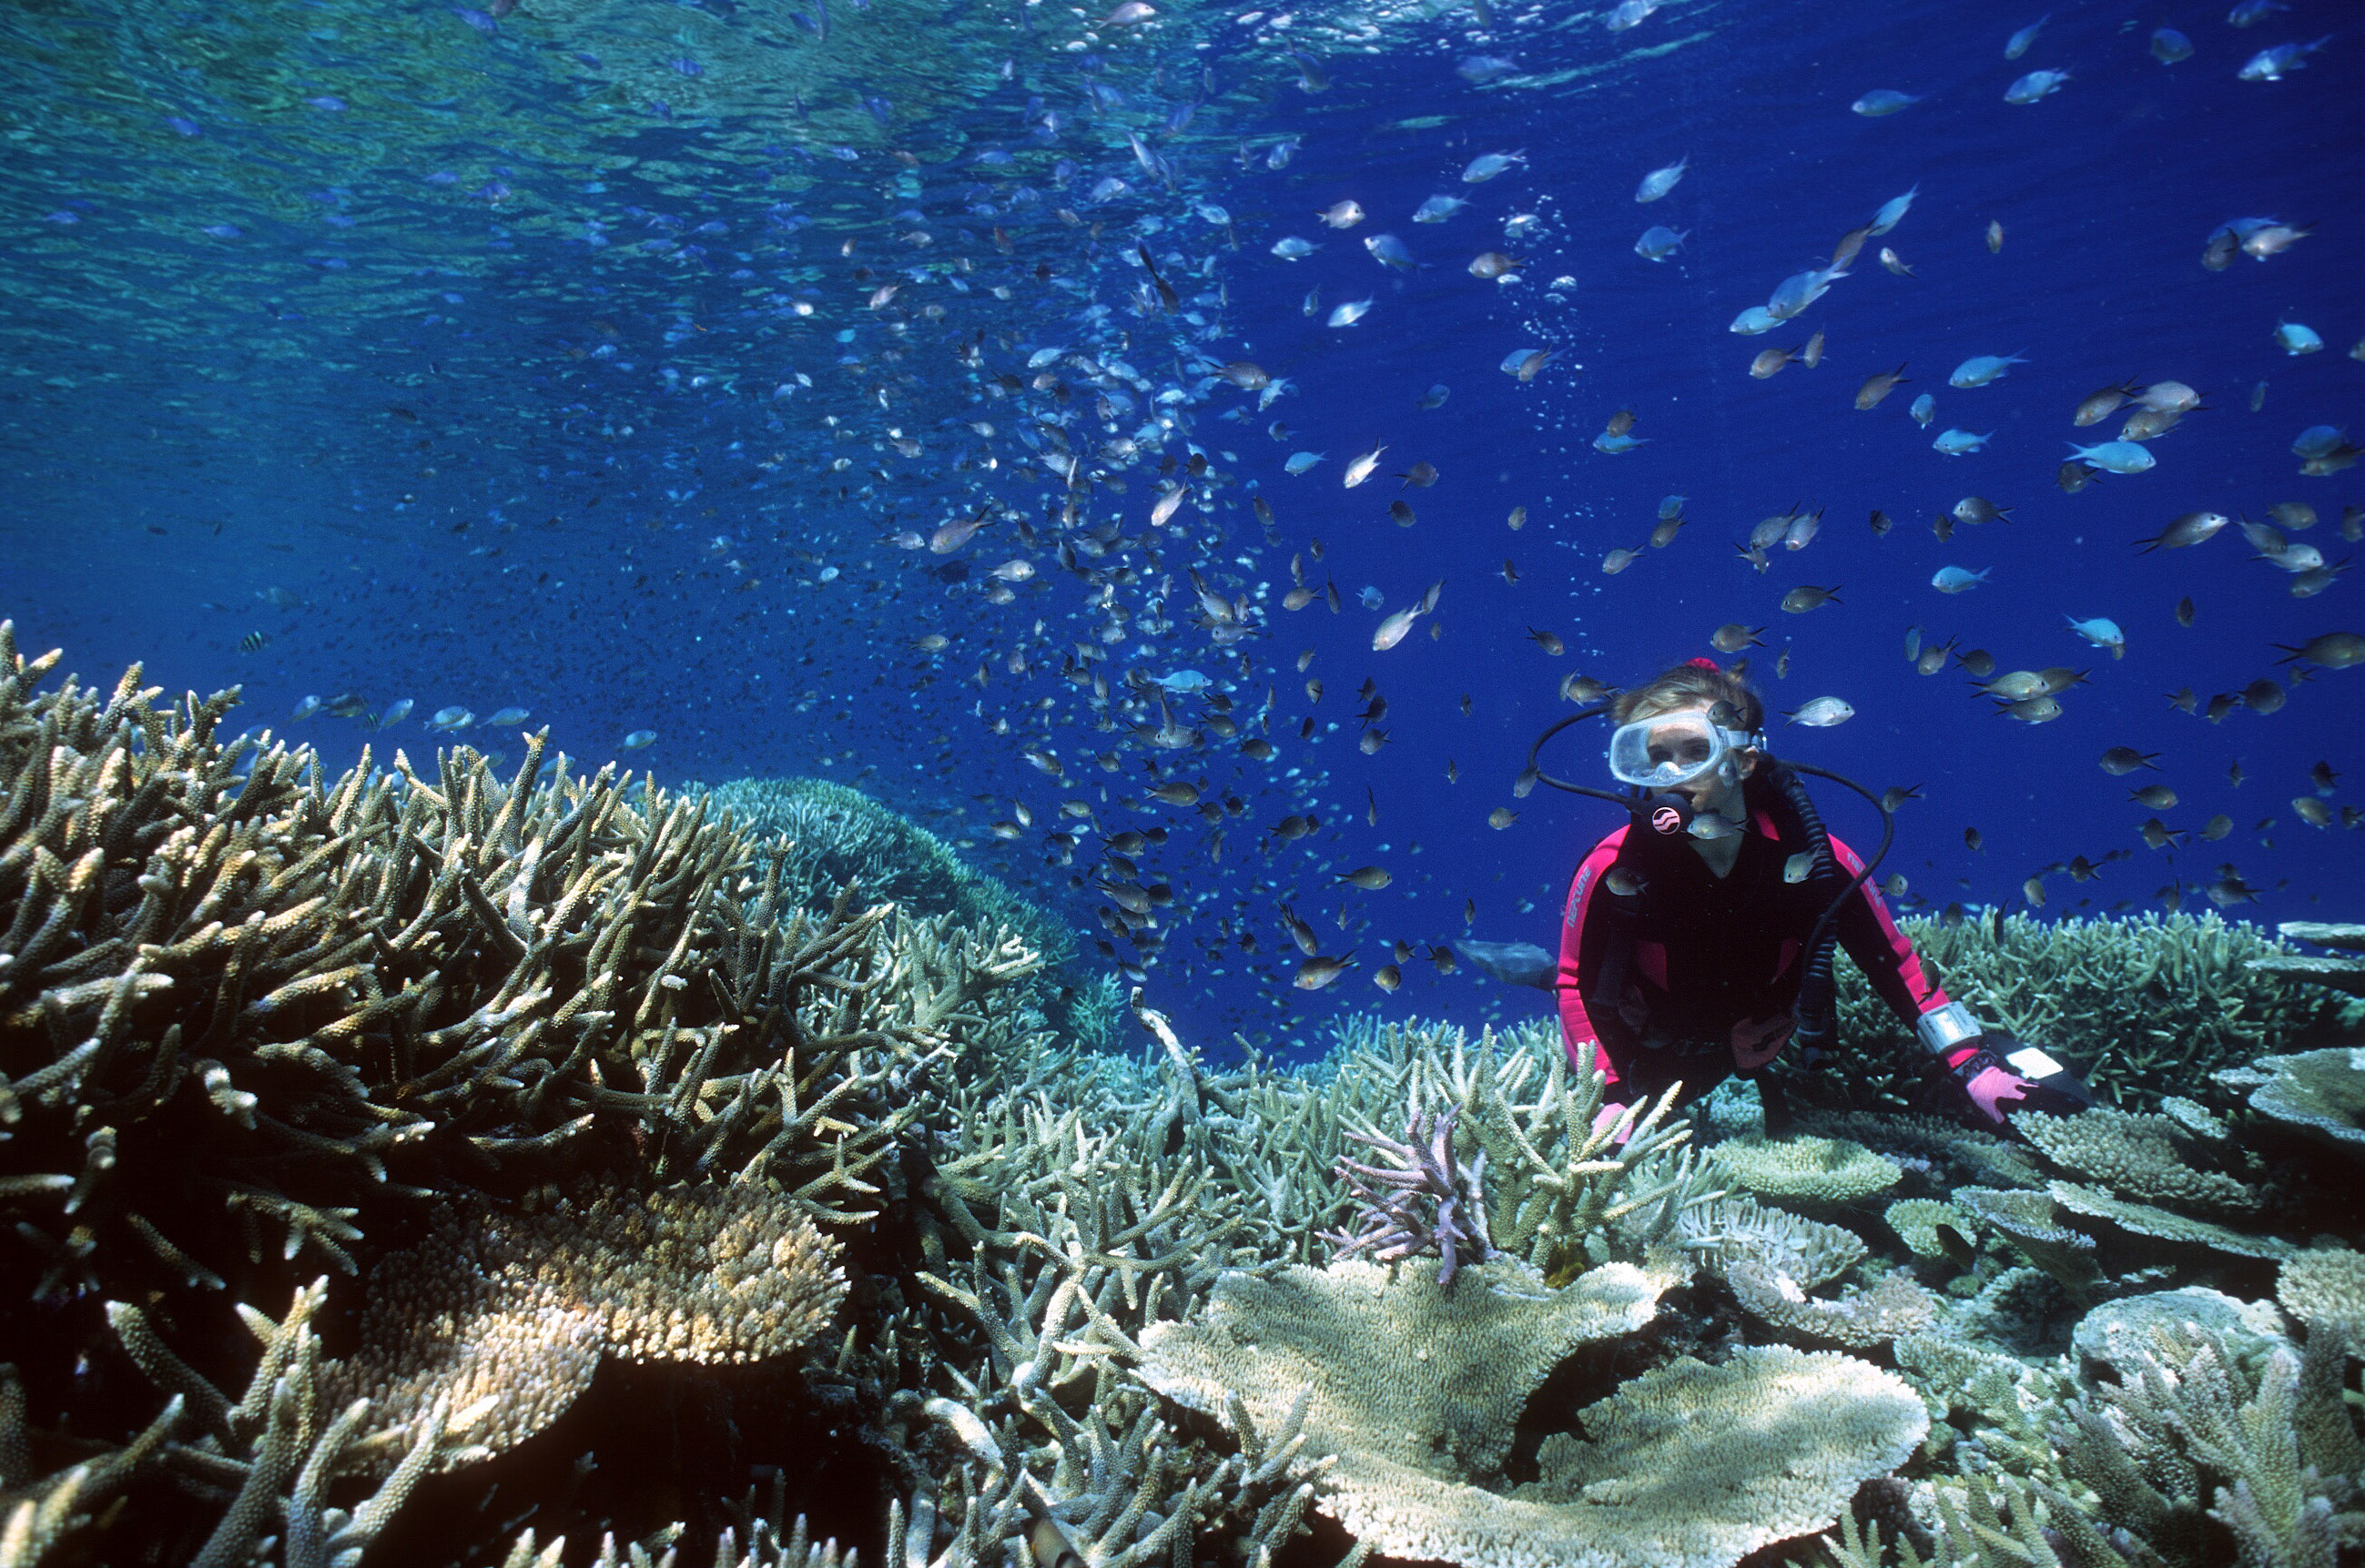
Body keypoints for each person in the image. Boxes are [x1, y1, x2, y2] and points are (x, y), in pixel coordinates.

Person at [1554, 658, 2086, 1136]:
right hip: (1654, 1054)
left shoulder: (1818, 857)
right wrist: (1605, 1095)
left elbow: (1895, 964)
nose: (1673, 773)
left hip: (1769, 1042)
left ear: (1742, 760)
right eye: (1655, 756)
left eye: (1697, 750)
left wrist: (1972, 1066)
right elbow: (1573, 981)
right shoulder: (1612, 867)